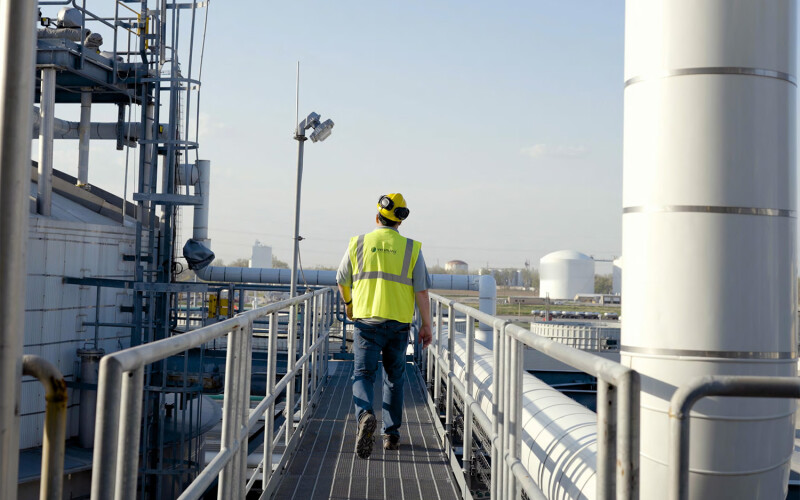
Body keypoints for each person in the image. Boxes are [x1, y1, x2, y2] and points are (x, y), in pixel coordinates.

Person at [336, 193, 433, 459]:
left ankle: (365, 414)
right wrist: (426, 325)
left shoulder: (358, 243)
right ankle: (391, 435)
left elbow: (341, 279)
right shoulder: (412, 248)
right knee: (394, 379)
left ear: (376, 217)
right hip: (399, 324)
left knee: (363, 375)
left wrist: (349, 304)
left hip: (366, 321)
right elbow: (422, 292)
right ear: (399, 222)